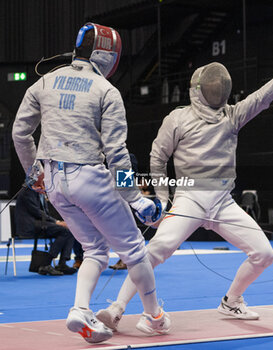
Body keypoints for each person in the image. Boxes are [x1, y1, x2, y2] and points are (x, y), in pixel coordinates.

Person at [95, 46, 273, 328]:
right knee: (157, 249)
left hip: (222, 202)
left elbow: (264, 95)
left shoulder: (232, 115)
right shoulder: (178, 119)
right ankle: (117, 308)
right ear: (197, 89)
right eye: (211, 86)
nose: (216, 91)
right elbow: (157, 159)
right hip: (189, 199)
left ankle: (232, 301)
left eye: (219, 87)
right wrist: (163, 199)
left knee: (264, 254)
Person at [12, 23, 170, 344]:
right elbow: (116, 152)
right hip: (89, 178)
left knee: (95, 249)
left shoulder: (45, 82)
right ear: (104, 55)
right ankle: (155, 317)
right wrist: (136, 200)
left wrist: (34, 173)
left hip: (54, 182)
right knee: (135, 251)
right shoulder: (105, 91)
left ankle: (79, 309)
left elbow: (20, 132)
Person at [15, 185, 76, 275]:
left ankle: (62, 264)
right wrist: (56, 222)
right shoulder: (27, 192)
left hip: (40, 224)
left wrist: (57, 222)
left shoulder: (40, 193)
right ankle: (45, 264)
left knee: (69, 229)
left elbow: (44, 214)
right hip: (30, 226)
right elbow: (36, 212)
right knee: (64, 231)